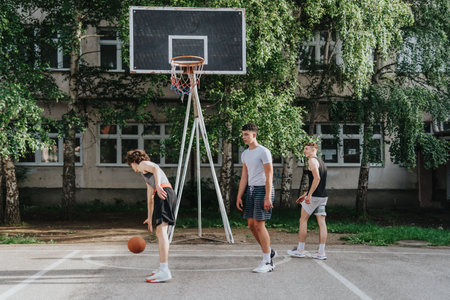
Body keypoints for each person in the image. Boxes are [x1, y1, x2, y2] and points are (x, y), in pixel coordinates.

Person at [125, 149, 175, 282]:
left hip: (163, 192)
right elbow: (150, 198)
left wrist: (158, 185)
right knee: (160, 232)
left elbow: (155, 168)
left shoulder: (143, 164)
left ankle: (164, 270)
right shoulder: (145, 174)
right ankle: (163, 268)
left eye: (131, 165)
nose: (132, 168)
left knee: (162, 231)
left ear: (134, 161)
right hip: (162, 194)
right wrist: (149, 217)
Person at [236, 123, 277, 273]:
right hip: (251, 190)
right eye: (243, 134)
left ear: (254, 135)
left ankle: (268, 262)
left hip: (263, 189)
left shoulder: (264, 152)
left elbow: (269, 175)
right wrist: (239, 195)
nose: (244, 137)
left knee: (260, 225)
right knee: (251, 226)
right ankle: (269, 251)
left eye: (246, 134)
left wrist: (268, 196)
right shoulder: (245, 154)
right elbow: (244, 177)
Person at [287, 142, 328, 260]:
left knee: (303, 220)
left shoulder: (312, 161)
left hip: (314, 197)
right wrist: (305, 195)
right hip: (323, 196)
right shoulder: (322, 163)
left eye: (306, 149)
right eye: (304, 149)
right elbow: (318, 183)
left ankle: (300, 250)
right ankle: (321, 252)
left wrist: (309, 196)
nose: (304, 151)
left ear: (314, 149)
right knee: (321, 223)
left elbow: (317, 178)